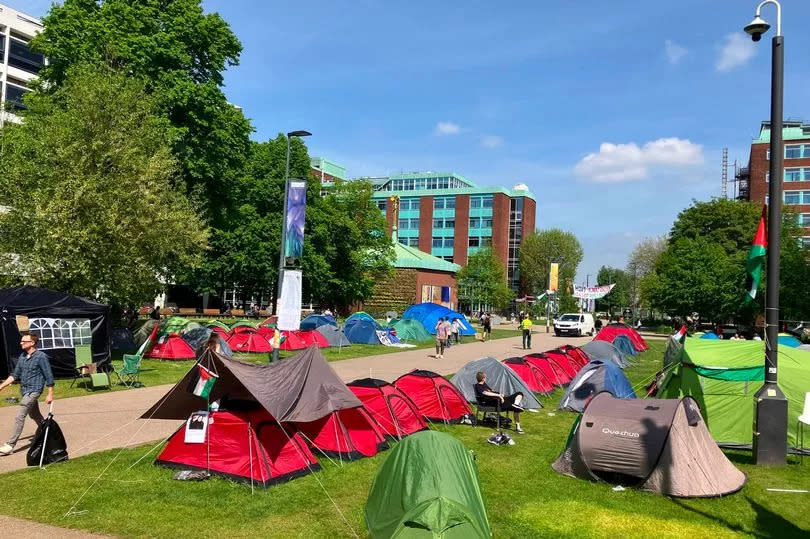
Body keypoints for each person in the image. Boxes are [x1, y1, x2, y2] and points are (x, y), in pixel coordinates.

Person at [0, 334, 54, 455]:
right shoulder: (23, 356)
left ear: (32, 343)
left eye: (24, 341)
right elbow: (15, 374)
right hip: (24, 391)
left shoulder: (41, 357)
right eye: (21, 341)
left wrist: (50, 394)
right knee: (35, 415)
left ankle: (10, 445)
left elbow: (49, 376)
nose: (21, 343)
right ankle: (48, 432)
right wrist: (1, 386)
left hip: (34, 391)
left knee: (20, 416)